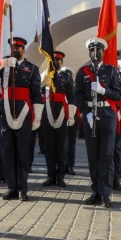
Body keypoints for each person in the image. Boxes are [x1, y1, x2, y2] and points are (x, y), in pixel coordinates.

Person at [74, 38, 121, 208]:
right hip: (90, 116)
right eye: (92, 50)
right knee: (93, 156)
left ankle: (106, 193)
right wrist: (86, 113)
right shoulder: (83, 72)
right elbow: (77, 96)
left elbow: (119, 95)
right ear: (89, 52)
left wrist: (104, 90)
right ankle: (95, 192)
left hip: (107, 114)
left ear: (103, 52)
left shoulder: (111, 71)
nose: (96, 53)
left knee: (107, 155)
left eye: (99, 50)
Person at [0, 36, 43, 202]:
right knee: (7, 152)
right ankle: (11, 187)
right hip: (6, 112)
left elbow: (37, 94)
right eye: (13, 47)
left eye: (18, 48)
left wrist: (37, 117)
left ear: (24, 50)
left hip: (23, 112)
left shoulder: (32, 69)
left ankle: (23, 187)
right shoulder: (4, 66)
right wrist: (4, 65)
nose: (15, 50)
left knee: (23, 152)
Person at [41, 51, 75, 188]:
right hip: (47, 112)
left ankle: (60, 177)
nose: (57, 62)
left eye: (60, 60)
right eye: (55, 60)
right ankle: (50, 176)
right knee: (49, 147)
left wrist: (71, 115)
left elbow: (71, 97)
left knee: (61, 147)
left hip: (61, 112)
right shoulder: (45, 76)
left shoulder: (66, 76)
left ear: (62, 62)